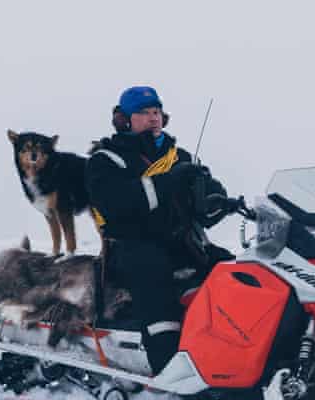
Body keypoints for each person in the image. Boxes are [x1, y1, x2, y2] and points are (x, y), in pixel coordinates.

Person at [86, 86, 227, 376]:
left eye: (157, 111)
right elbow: (118, 204)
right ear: (124, 119)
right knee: (153, 270)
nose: (153, 118)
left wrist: (216, 200)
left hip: (182, 244)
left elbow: (205, 198)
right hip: (130, 246)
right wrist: (168, 183)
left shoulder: (181, 156)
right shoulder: (106, 159)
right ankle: (167, 366)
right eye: (144, 112)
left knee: (230, 268)